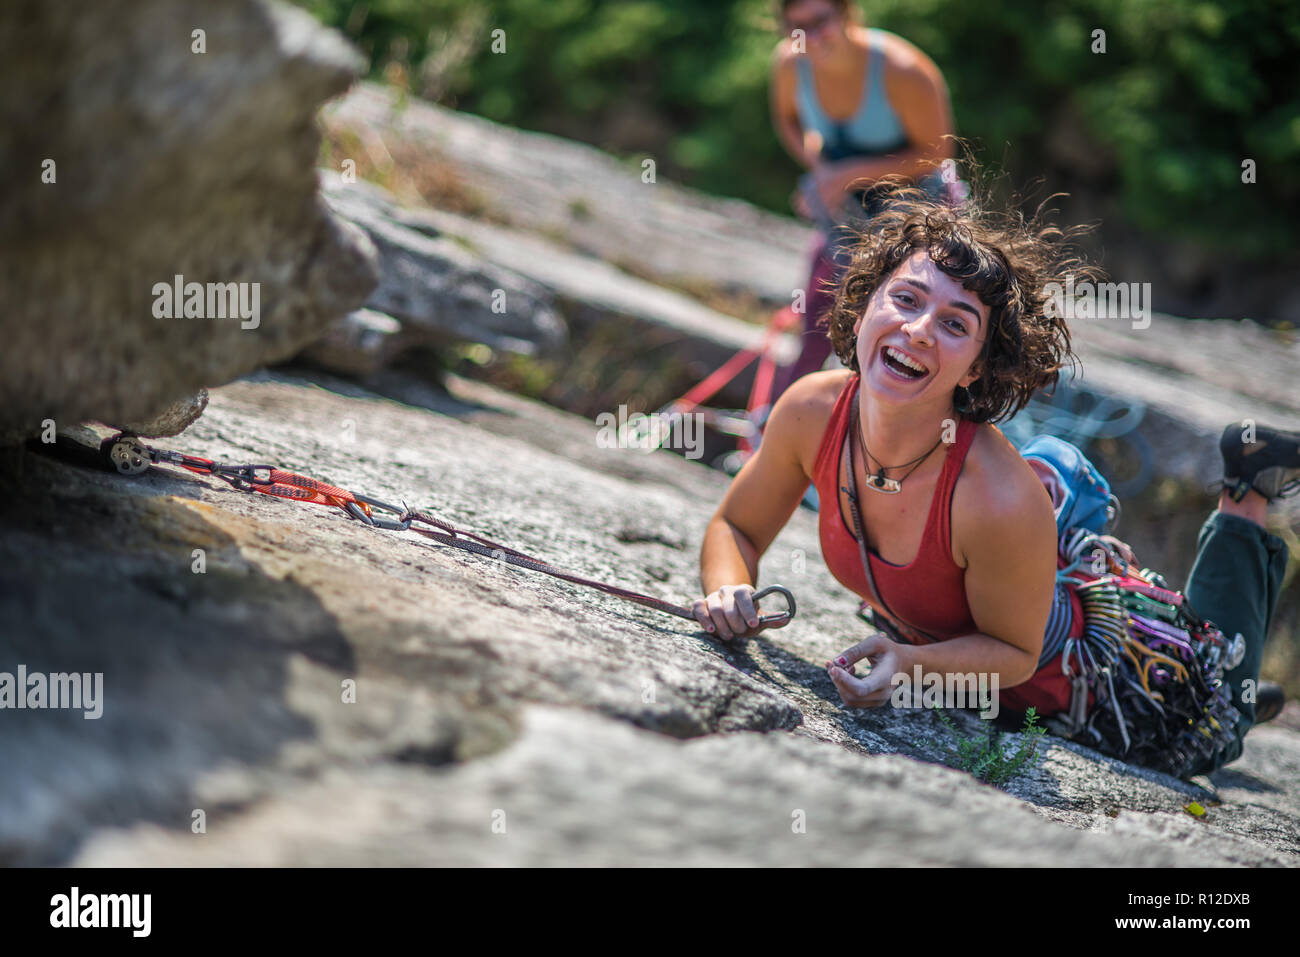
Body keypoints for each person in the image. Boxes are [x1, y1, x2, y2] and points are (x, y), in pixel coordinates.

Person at [693, 186, 1295, 776]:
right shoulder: (811, 411)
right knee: (1241, 698)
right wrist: (729, 591)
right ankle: (1257, 696)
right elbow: (737, 526)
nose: (920, 329)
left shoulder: (996, 495)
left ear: (978, 364)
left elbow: (1015, 654)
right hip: (957, 648)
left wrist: (908, 667)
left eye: (955, 324)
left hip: (1098, 681)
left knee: (1219, 721)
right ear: (867, 302)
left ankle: (1245, 487)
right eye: (905, 298)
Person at [769, 0, 956, 403]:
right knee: (819, 318)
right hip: (847, 210)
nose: (811, 37)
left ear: (847, 13)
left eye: (821, 22)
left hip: (918, 209)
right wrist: (820, 170)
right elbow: (789, 121)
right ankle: (782, 425)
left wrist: (845, 175)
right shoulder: (789, 64)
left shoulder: (902, 71)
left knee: (892, 323)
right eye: (796, 27)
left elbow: (938, 153)